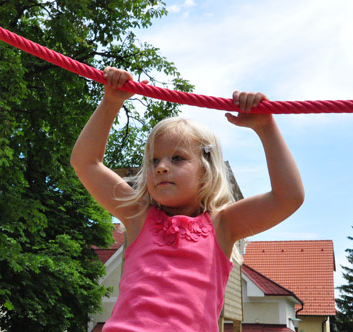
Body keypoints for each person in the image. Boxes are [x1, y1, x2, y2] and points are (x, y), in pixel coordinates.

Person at [71, 67, 304, 331]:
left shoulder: (223, 225)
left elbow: (289, 197)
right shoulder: (139, 215)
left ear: (206, 171)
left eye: (177, 158)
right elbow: (85, 163)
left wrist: (266, 127)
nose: (161, 167)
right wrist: (111, 102)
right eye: (154, 160)